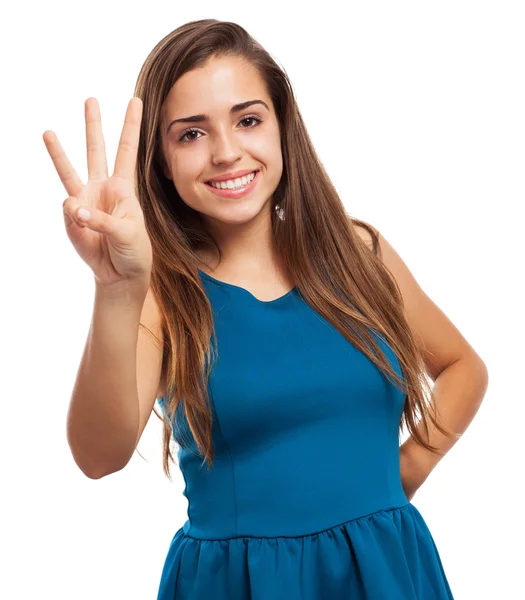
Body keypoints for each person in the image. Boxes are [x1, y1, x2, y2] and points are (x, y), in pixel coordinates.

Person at [43, 18, 488, 600]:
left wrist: (404, 474)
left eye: (248, 120)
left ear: (282, 126)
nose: (227, 153)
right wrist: (116, 287)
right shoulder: (163, 295)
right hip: (242, 586)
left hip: (388, 571)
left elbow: (462, 367)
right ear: (161, 160)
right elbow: (98, 456)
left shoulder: (358, 254)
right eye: (190, 134)